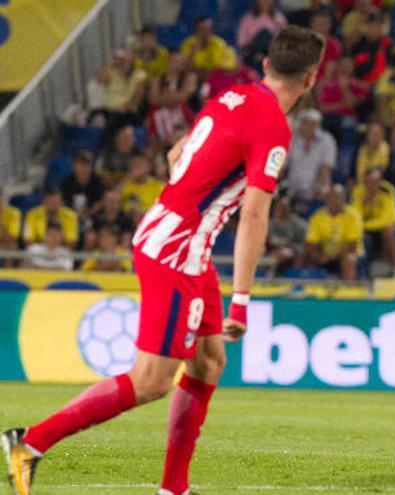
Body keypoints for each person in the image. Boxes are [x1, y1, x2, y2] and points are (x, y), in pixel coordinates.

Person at [2, 25, 325, 495]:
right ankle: (29, 443)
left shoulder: (232, 97)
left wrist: (196, 202)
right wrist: (241, 300)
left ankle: (174, 489)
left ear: (266, 65)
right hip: (179, 248)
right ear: (311, 79)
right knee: (152, 380)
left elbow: (176, 154)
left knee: (209, 361)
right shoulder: (274, 127)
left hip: (174, 233)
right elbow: (255, 215)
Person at [304, 184, 364, 280]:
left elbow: (352, 246)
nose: (332, 200)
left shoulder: (353, 216)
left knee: (349, 260)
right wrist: (317, 256)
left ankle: (347, 292)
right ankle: (307, 292)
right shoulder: (317, 216)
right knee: (305, 257)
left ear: (343, 199)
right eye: (330, 197)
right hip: (325, 255)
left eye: (336, 197)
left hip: (347, 254)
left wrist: (331, 257)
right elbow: (311, 243)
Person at [352, 169, 395, 276]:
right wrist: (365, 203)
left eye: (374, 182)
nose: (371, 185)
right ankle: (362, 273)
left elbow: (386, 220)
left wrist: (365, 226)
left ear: (379, 182)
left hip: (389, 225)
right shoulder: (358, 192)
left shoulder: (387, 191)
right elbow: (355, 217)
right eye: (367, 182)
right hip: (369, 228)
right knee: (357, 236)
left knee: (388, 231)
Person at [284, 108, 337, 204]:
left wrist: (325, 187)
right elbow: (283, 164)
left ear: (318, 125)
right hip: (292, 187)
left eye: (313, 123)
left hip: (314, 190)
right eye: (306, 123)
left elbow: (326, 168)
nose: (309, 127)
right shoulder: (292, 139)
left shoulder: (327, 140)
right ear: (300, 124)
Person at [60, 150, 106, 215]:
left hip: (92, 216)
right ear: (74, 166)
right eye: (80, 165)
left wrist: (87, 213)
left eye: (86, 164)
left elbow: (100, 202)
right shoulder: (67, 181)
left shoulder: (97, 182)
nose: (83, 168)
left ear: (91, 167)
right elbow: (62, 202)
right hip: (70, 216)